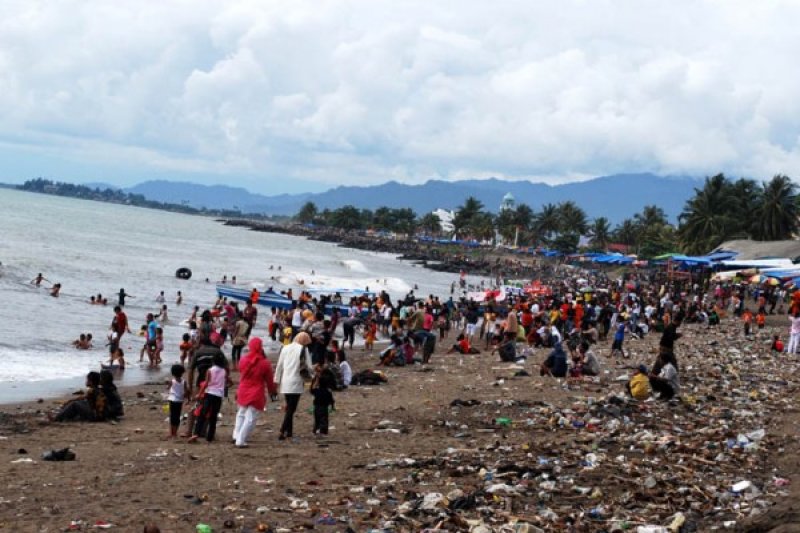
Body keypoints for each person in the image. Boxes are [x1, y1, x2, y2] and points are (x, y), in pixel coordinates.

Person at [232, 337, 278, 448]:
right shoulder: (265, 363)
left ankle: (236, 435)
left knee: (241, 413)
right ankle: (241, 440)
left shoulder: (243, 360)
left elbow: (241, 373)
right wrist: (273, 392)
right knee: (251, 417)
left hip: (243, 389)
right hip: (256, 391)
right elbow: (269, 381)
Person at [274, 331, 312, 440]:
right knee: (291, 409)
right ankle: (282, 430)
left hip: (285, 382)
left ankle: (289, 431)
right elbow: (308, 366)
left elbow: (279, 366)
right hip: (296, 381)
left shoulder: (285, 348)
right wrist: (313, 377)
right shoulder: (304, 349)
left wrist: (276, 380)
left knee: (289, 406)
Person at [189, 352, 228, 443]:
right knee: (213, 416)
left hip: (209, 393)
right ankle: (210, 437)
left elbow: (206, 383)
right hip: (218, 396)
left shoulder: (210, 370)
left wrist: (199, 394)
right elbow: (226, 382)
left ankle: (196, 433)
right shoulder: (224, 371)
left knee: (202, 414)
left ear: (213, 361)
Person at [311, 365, 336, 436]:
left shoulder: (317, 390)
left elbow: (312, 389)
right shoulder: (328, 391)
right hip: (324, 408)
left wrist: (316, 381)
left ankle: (315, 430)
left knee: (317, 420)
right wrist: (332, 407)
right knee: (324, 420)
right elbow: (332, 400)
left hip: (316, 408)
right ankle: (323, 431)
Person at [166, 364, 187, 439]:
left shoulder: (172, 381)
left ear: (173, 373)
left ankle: (172, 433)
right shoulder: (184, 382)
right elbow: (185, 391)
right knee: (177, 416)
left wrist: (167, 384)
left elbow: (167, 388)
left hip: (172, 399)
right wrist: (187, 398)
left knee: (172, 416)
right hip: (179, 401)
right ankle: (175, 433)